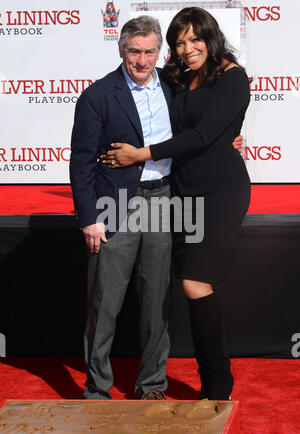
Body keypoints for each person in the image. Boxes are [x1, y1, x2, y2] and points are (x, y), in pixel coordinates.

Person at [102, 7, 251, 400]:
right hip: (182, 191)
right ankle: (212, 379)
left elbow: (202, 136)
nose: (186, 49)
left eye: (194, 39)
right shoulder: (178, 77)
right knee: (189, 282)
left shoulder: (234, 78)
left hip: (220, 191)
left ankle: (218, 382)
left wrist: (140, 155)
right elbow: (143, 93)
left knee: (195, 281)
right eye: (179, 43)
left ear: (210, 36)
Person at [70, 16, 173, 400]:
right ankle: (97, 388)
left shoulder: (176, 89)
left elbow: (197, 133)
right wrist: (90, 218)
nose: (143, 60)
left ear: (159, 51)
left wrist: (231, 139)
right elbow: (81, 161)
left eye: (149, 52)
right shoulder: (98, 95)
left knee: (157, 300)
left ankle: (151, 386)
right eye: (135, 51)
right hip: (113, 204)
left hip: (163, 200)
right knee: (105, 301)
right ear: (121, 50)